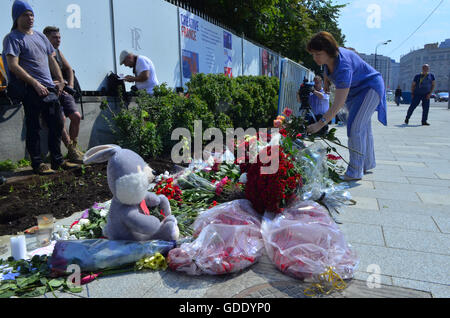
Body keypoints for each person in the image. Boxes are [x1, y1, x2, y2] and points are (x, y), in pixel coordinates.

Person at [2, 0, 77, 175]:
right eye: (25, 15)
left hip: (50, 89)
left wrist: (59, 80)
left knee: (57, 124)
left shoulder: (40, 36)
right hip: (31, 89)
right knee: (34, 126)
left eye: (31, 14)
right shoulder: (12, 38)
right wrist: (35, 83)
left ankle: (58, 161)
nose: (30, 18)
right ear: (16, 17)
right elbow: (13, 65)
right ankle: (38, 163)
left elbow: (52, 59)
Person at [305, 31, 387, 181]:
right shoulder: (330, 58)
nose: (315, 58)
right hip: (357, 90)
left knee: (355, 127)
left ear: (329, 51)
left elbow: (338, 104)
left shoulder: (343, 67)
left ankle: (355, 171)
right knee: (363, 127)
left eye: (318, 54)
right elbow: (327, 71)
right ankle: (367, 163)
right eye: (313, 54)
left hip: (370, 88)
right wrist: (327, 80)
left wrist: (320, 124)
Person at [43, 26, 84, 163]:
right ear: (46, 38)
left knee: (76, 116)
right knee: (61, 120)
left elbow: (69, 69)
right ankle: (71, 150)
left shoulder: (58, 52)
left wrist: (70, 86)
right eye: (54, 37)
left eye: (59, 37)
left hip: (64, 90)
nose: (58, 40)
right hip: (50, 91)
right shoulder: (40, 52)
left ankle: (74, 147)